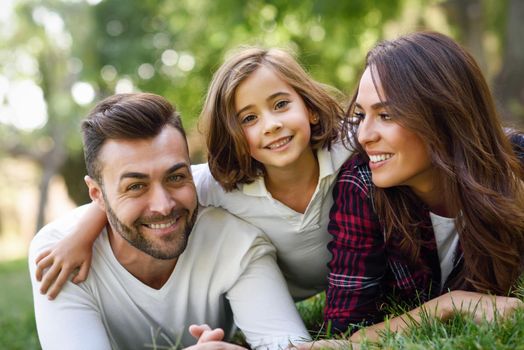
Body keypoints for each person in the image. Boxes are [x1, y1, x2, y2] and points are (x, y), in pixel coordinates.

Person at [33, 47, 352, 301]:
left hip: (361, 283)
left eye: (281, 104)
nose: (271, 125)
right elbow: (142, 194)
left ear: (309, 107)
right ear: (232, 134)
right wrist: (80, 237)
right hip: (276, 294)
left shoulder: (348, 150)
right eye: (249, 118)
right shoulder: (221, 185)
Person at [28, 93, 311, 350]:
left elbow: (286, 344)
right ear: (96, 195)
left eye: (176, 177)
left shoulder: (236, 241)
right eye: (136, 186)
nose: (163, 206)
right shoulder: (58, 254)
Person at [322, 31, 524, 344]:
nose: (364, 136)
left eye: (386, 115)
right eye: (362, 115)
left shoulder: (515, 164)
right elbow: (344, 334)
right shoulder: (362, 186)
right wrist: (448, 304)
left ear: (443, 114)